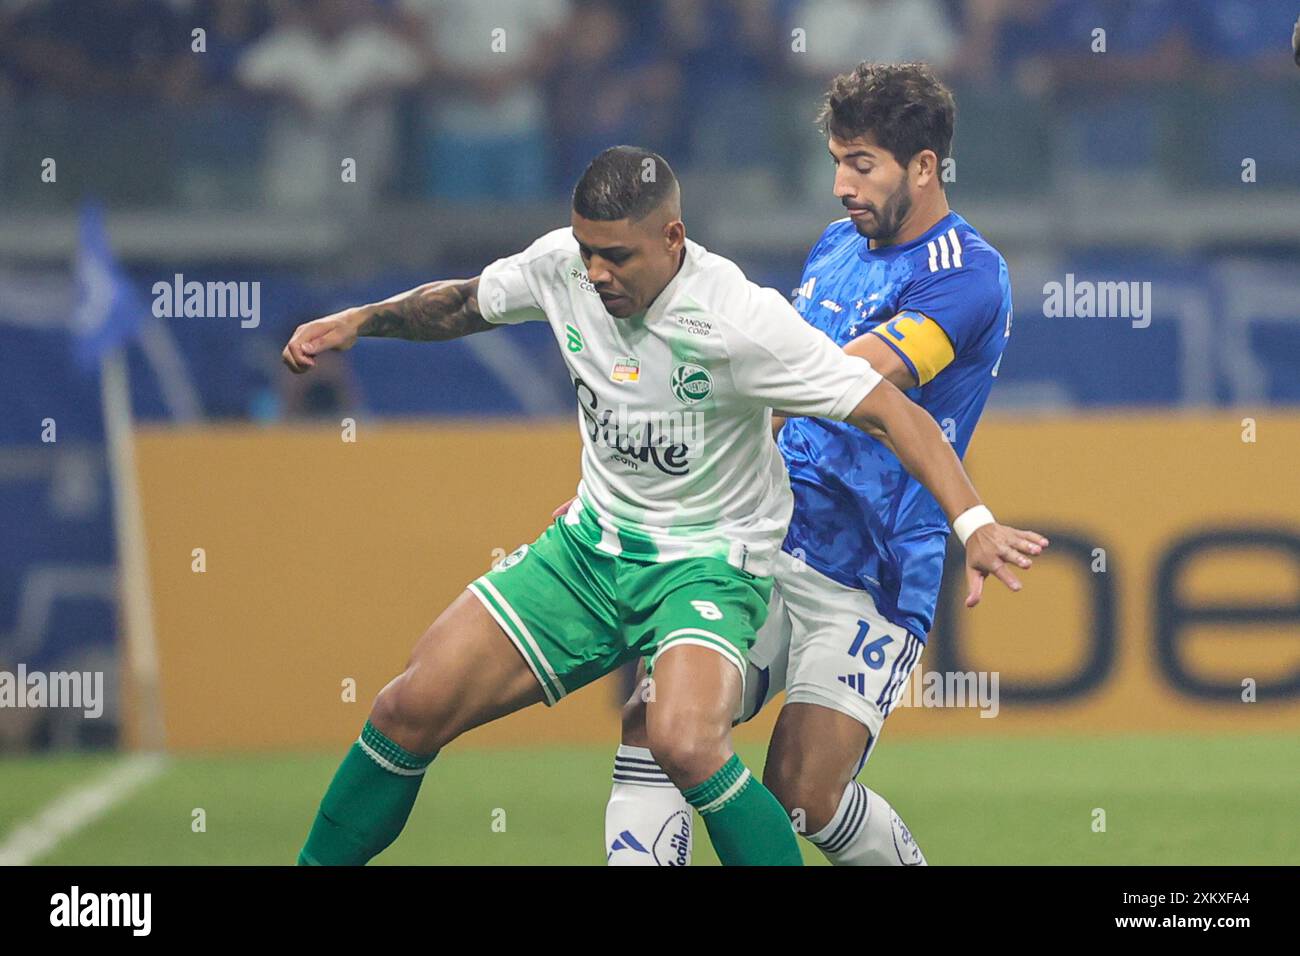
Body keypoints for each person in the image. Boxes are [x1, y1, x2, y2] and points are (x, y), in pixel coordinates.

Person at [282, 144, 1045, 866]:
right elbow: (460, 304)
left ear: (673, 237)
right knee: (408, 706)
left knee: (686, 742)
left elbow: (887, 407)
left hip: (709, 566)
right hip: (589, 549)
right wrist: (360, 320)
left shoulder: (741, 319)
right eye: (588, 251)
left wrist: (971, 522)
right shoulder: (562, 267)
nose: (598, 272)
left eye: (617, 256)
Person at [603, 63, 1026, 866]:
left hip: (871, 567)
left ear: (925, 168)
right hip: (769, 539)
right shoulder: (837, 244)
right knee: (659, 728)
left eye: (861, 163)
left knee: (803, 793)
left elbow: (843, 382)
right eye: (836, 160)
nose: (839, 185)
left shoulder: (970, 277)